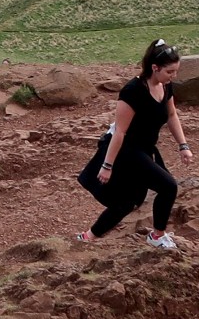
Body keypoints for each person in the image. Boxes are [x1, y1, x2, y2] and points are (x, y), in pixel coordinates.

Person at [78, 39, 192, 251]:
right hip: (126, 151)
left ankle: (88, 237)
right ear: (154, 68)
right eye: (169, 72)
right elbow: (120, 131)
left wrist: (183, 145)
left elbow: (172, 114)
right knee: (168, 186)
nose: (173, 76)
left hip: (145, 149)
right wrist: (107, 165)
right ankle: (157, 236)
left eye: (175, 71)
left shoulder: (165, 87)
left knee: (129, 201)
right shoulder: (132, 91)